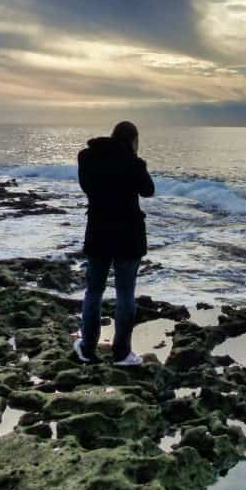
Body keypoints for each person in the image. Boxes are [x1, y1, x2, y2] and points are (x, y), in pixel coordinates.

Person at [74, 121, 155, 365]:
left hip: (98, 231)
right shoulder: (133, 163)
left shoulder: (87, 158)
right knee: (125, 294)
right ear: (133, 140)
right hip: (128, 235)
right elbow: (148, 190)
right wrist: (136, 161)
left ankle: (88, 348)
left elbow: (86, 187)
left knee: (94, 291)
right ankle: (121, 353)